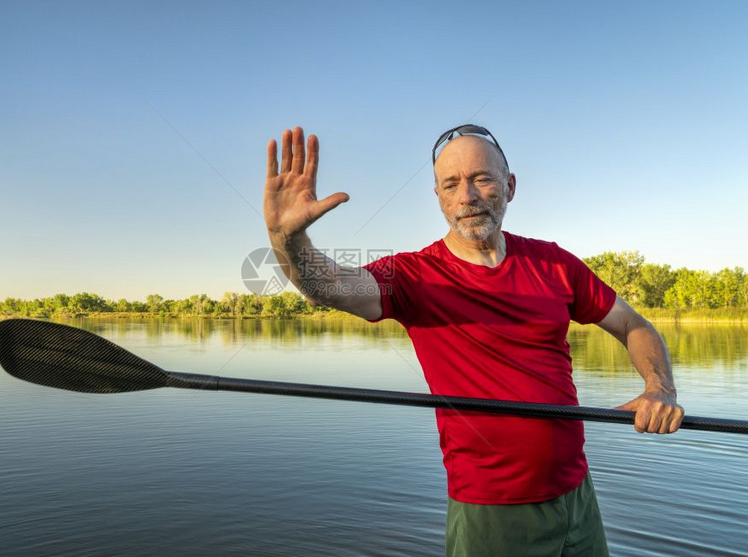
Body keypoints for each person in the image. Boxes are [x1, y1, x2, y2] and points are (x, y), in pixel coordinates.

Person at [263, 125, 685, 556]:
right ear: (440, 198)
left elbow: (633, 324)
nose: (467, 195)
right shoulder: (414, 275)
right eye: (451, 184)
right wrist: (287, 239)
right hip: (491, 512)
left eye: (481, 178)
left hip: (578, 495)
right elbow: (332, 286)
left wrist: (659, 387)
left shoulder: (554, 262)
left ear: (510, 186)